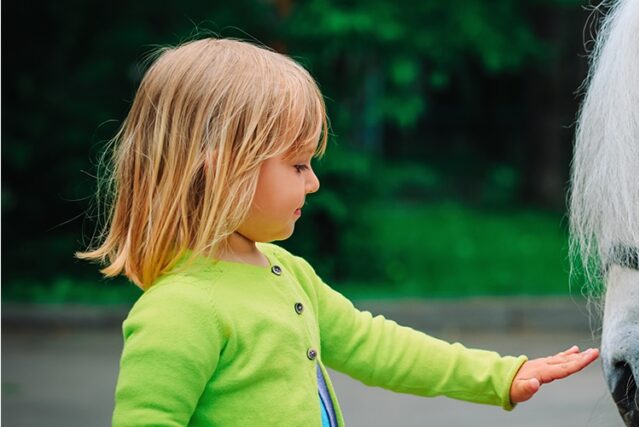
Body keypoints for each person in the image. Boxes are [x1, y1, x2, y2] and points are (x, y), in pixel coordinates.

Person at [77, 38, 598, 427]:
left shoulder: (288, 275)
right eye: (298, 164)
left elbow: (378, 347)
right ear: (222, 170)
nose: (315, 181)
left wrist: (499, 376)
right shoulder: (181, 310)